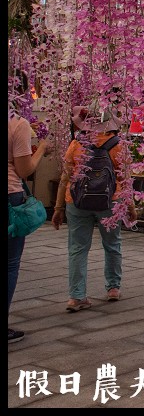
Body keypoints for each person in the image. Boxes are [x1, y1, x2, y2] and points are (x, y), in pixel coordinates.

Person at [52, 106, 132, 312]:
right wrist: (130, 206)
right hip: (110, 201)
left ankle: (76, 296)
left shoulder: (76, 144)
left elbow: (65, 178)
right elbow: (125, 179)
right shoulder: (117, 145)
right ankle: (113, 288)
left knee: (77, 248)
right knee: (112, 244)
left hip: (77, 202)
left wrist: (58, 207)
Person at [8, 111, 49, 343]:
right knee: (10, 262)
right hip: (9, 197)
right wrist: (42, 147)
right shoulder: (17, 123)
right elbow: (25, 170)